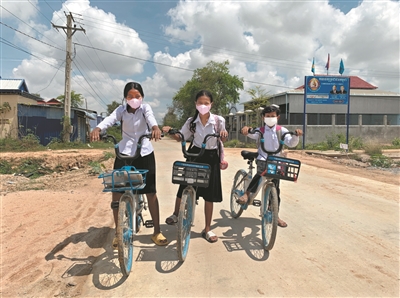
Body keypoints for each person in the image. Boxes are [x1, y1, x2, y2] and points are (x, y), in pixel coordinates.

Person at [90, 82, 168, 247]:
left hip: (144, 151)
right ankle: (119, 233)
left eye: (137, 96)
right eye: (130, 96)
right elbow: (110, 119)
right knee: (116, 191)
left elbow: (151, 119)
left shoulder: (145, 108)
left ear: (142, 97)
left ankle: (156, 231)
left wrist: (155, 128)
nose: (134, 99)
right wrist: (97, 128)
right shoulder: (121, 110)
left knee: (150, 191)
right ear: (126, 98)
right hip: (124, 152)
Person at [162, 90, 228, 243]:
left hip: (211, 155)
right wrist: (170, 131)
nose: (203, 106)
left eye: (206, 103)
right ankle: (176, 214)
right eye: (200, 103)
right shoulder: (191, 121)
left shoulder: (218, 120)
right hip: (195, 153)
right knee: (183, 184)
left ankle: (207, 228)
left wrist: (224, 135)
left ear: (211, 104)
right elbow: (181, 136)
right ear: (195, 104)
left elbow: (223, 137)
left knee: (209, 194)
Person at [239, 105, 303, 228]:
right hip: (263, 158)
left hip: (276, 161)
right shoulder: (260, 131)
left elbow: (290, 142)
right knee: (260, 174)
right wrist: (245, 129)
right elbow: (249, 133)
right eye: (267, 116)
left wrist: (296, 136)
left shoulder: (282, 130)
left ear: (277, 117)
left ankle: (275, 215)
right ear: (263, 117)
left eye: (272, 116)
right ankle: (246, 193)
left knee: (276, 188)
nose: (270, 118)